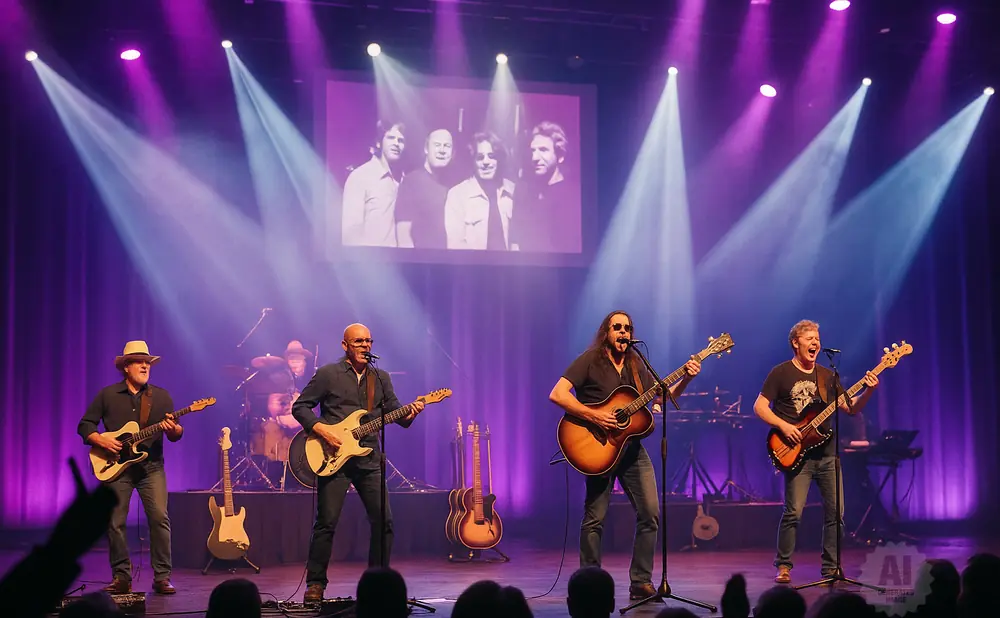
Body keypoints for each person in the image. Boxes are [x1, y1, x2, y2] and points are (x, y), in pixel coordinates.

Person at [549, 311, 701, 600]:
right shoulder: (590, 360)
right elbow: (558, 394)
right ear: (606, 332)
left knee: (651, 514)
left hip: (631, 450)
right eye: (616, 327)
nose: (623, 332)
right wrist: (594, 416)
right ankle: (589, 581)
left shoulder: (637, 365)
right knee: (595, 518)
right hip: (597, 447)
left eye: (627, 328)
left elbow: (659, 400)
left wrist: (686, 379)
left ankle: (640, 581)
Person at [291, 323, 425, 602]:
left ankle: (378, 581)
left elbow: (398, 416)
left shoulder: (381, 377)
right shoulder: (328, 374)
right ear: (345, 346)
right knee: (326, 522)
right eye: (358, 342)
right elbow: (300, 407)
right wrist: (322, 429)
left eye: (368, 341)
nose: (365, 346)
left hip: (368, 458)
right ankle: (315, 583)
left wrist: (412, 412)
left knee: (383, 521)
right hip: (333, 457)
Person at [753, 320, 879, 584]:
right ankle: (784, 566)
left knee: (836, 513)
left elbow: (852, 408)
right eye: (809, 338)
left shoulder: (827, 375)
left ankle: (831, 567)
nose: (815, 343)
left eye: (817, 339)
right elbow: (760, 407)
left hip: (828, 456)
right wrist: (784, 426)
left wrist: (868, 390)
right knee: (793, 512)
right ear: (795, 343)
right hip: (795, 453)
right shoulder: (781, 373)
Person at [77, 341, 183, 595]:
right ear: (126, 367)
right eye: (139, 361)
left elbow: (175, 435)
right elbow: (85, 425)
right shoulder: (107, 395)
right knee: (115, 522)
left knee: (159, 518)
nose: (146, 365)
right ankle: (121, 576)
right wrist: (100, 439)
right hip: (116, 469)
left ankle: (162, 576)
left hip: (151, 468)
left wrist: (176, 429)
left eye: (148, 362)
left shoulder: (161, 396)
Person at [510, 121, 580, 253]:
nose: (535, 157)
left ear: (560, 156)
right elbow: (515, 241)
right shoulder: (523, 192)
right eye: (533, 151)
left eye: (543, 150)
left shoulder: (573, 196)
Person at [444, 131, 515, 250]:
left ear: (499, 160)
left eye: (492, 156)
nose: (486, 162)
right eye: (480, 157)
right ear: (473, 161)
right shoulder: (457, 195)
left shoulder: (513, 191)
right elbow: (455, 246)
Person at [342, 120, 407, 247]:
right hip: (373, 263)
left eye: (401, 140)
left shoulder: (405, 180)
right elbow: (351, 234)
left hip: (401, 261)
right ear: (378, 142)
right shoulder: (360, 177)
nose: (396, 143)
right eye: (391, 138)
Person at [395, 128, 454, 249]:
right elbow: (403, 233)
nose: (442, 150)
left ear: (453, 152)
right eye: (437, 145)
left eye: (447, 146)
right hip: (422, 263)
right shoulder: (411, 182)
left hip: (449, 263)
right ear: (426, 149)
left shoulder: (454, 184)